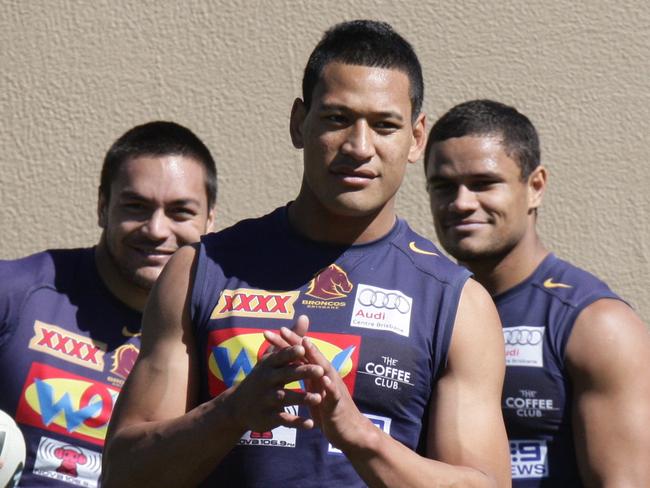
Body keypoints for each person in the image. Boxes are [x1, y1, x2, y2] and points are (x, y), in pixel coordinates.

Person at [103, 20, 510, 488]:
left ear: (416, 138)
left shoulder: (456, 303)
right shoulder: (199, 271)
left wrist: (358, 435)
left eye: (384, 126)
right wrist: (234, 411)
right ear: (299, 122)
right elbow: (122, 475)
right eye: (338, 119)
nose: (359, 147)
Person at [424, 99, 650, 487]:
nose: (461, 203)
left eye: (483, 183)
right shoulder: (430, 308)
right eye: (444, 186)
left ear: (535, 187)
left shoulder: (595, 324)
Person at [0, 121, 217, 487]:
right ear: (103, 207)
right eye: (136, 206)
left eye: (180, 212)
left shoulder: (216, 336)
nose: (156, 230)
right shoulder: (16, 292)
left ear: (209, 221)